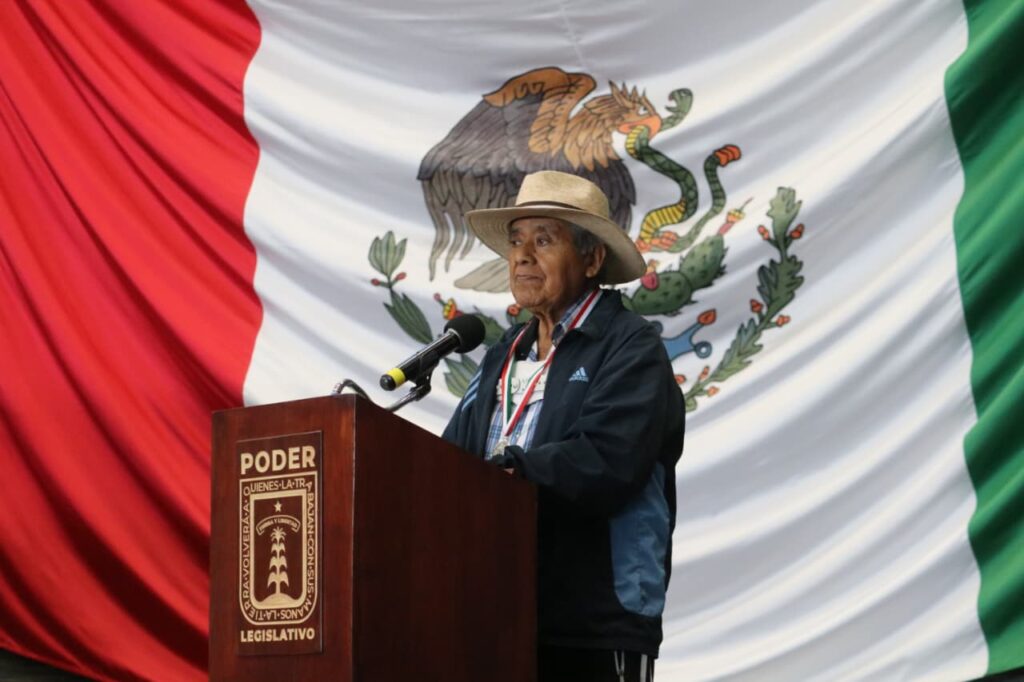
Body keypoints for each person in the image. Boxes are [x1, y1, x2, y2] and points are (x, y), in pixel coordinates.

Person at [442, 170, 685, 682]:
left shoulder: (631, 345)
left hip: (592, 622)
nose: (522, 256)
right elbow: (449, 464)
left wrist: (508, 472)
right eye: (516, 242)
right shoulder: (503, 354)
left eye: (544, 240)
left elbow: (607, 460)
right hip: (495, 613)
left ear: (592, 259)